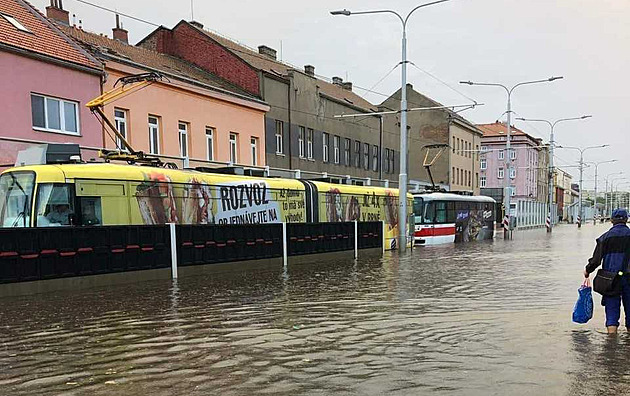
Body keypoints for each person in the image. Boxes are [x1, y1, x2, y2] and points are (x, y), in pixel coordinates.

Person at [584, 208, 630, 334]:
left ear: (611, 220)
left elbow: (596, 260)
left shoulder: (604, 238)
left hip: (611, 279)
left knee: (612, 311)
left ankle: (611, 344)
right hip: (629, 278)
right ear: (626, 219)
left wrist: (588, 270)